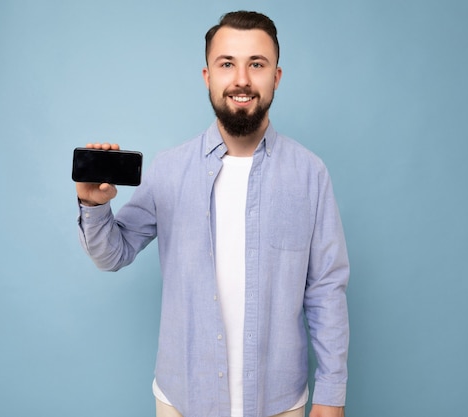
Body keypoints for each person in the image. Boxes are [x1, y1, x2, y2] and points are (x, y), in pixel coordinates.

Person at [76, 10, 349, 417]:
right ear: (208, 77)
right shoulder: (169, 169)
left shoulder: (310, 174)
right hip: (182, 399)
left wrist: (331, 393)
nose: (242, 79)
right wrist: (94, 205)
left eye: (256, 64)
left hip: (280, 403)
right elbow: (112, 254)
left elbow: (326, 289)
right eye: (227, 64)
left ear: (276, 77)